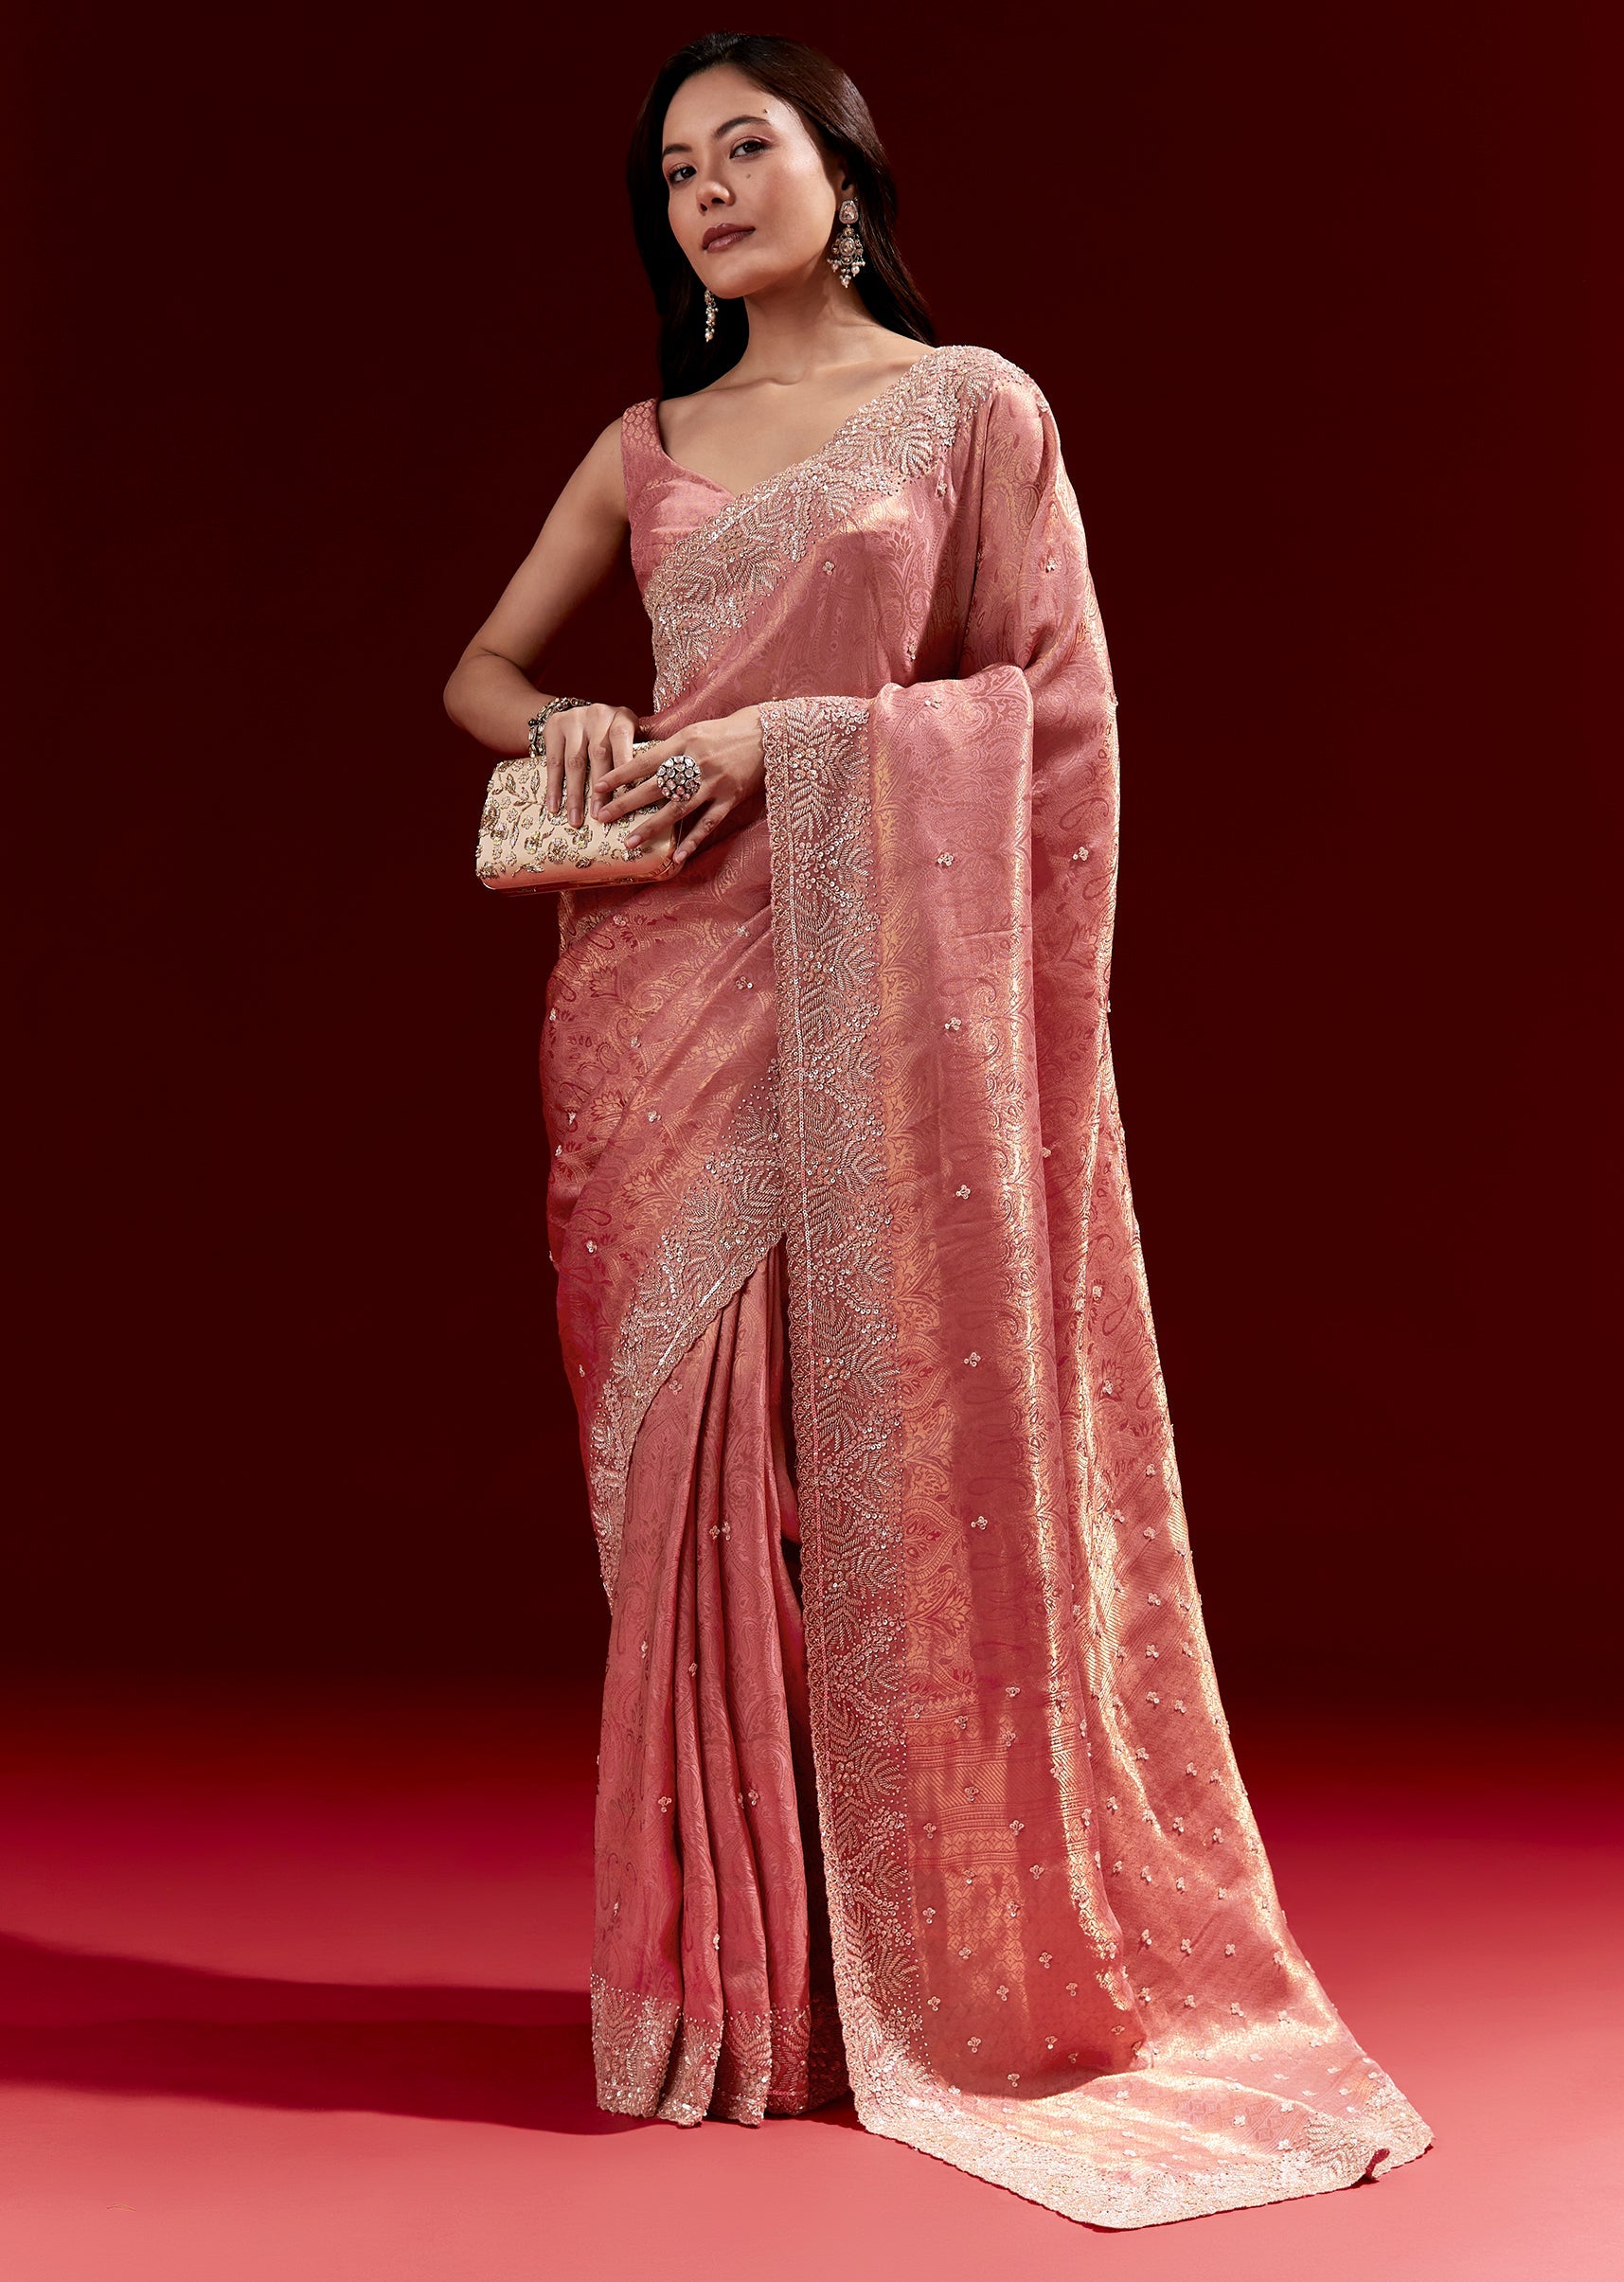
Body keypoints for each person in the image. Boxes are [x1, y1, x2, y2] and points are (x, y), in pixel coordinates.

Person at [443, 29, 1432, 2231]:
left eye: (747, 148)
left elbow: (1051, 712)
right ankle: (723, 1990)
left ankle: (880, 1959)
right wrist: (577, 716)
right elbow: (481, 673)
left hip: (863, 973)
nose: (707, 191)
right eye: (674, 171)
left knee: (852, 1451)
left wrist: (790, 740)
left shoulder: (975, 410)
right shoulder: (647, 441)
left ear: (847, 175)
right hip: (652, 987)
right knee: (688, 1474)